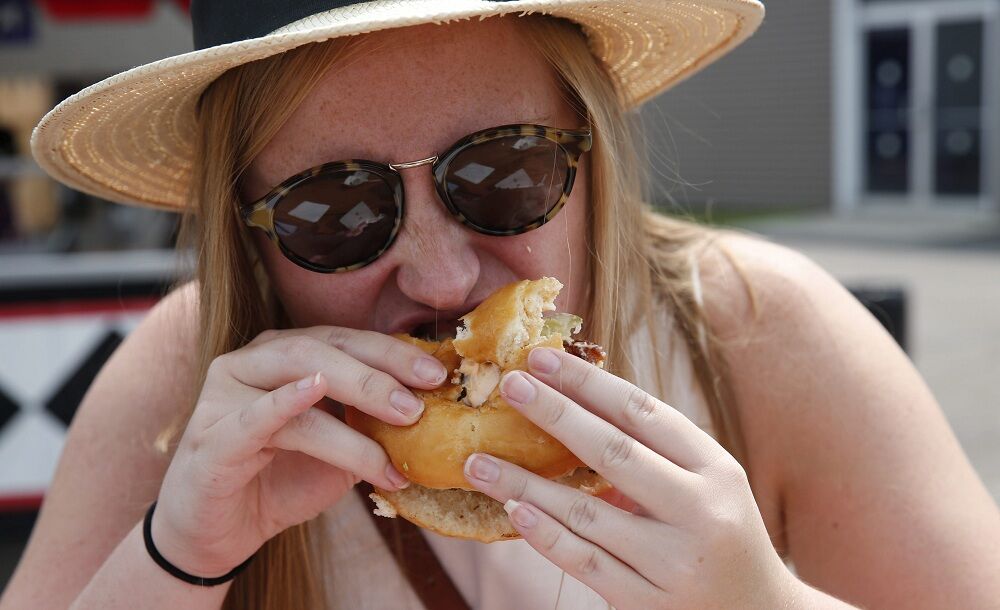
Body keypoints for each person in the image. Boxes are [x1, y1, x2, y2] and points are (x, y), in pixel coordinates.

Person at [4, 2, 999, 609]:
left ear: (591, 155)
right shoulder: (187, 396)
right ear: (248, 234)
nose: (438, 277)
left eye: (504, 170)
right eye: (337, 208)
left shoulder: (757, 335)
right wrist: (176, 562)